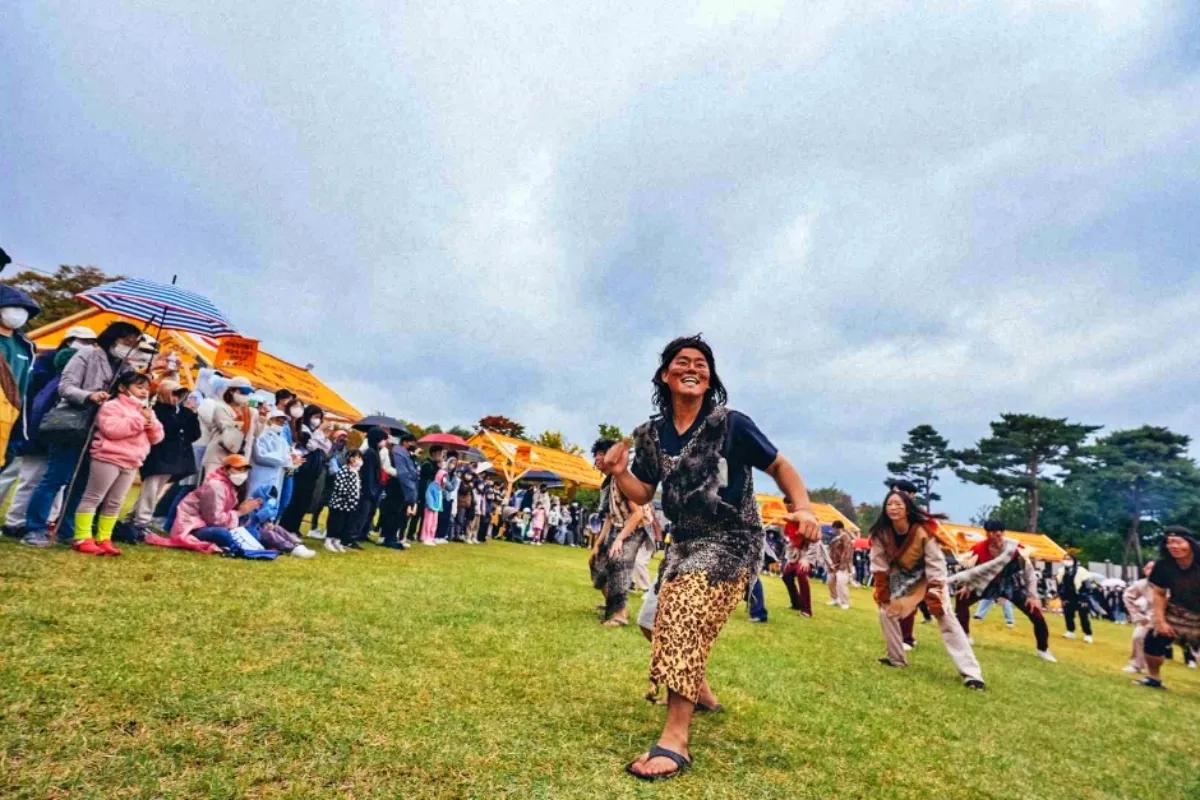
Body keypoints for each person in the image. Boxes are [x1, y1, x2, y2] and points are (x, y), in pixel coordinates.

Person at [603, 335, 821, 782]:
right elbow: (644, 492)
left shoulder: (731, 425)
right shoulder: (650, 435)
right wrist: (620, 472)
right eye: (682, 362)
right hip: (682, 544)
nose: (692, 368)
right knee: (651, 622)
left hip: (732, 540)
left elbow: (780, 466)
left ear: (709, 378)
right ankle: (699, 689)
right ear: (665, 375)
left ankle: (674, 739)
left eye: (701, 363)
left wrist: (802, 507)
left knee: (682, 616)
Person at [22, 321, 142, 547]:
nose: (131, 347)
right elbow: (65, 387)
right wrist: (89, 395)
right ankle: (34, 527)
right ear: (113, 338)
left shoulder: (126, 367)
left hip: (103, 430)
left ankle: (67, 529)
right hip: (73, 424)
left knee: (83, 483)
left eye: (134, 344)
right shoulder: (87, 355)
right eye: (127, 342)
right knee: (57, 476)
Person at [872, 490, 986, 689]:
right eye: (889, 504)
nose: (894, 508)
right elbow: (878, 562)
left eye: (899, 504)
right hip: (904, 578)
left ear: (908, 507)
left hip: (929, 576)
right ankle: (896, 658)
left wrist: (935, 591)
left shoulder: (924, 531)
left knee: (946, 617)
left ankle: (972, 674)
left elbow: (936, 562)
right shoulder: (881, 533)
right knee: (886, 611)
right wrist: (883, 588)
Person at [70, 373, 164, 555]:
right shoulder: (111, 406)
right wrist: (140, 420)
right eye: (139, 387)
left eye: (146, 388)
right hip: (108, 457)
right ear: (123, 387)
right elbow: (112, 430)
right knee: (93, 497)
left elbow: (158, 437)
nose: (144, 392)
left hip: (132, 461)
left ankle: (104, 538)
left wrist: (150, 422)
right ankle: (82, 537)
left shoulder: (147, 410)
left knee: (115, 502)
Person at [950, 519, 1056, 662]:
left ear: (1003, 533)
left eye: (1000, 532)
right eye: (993, 532)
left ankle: (1043, 649)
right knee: (961, 599)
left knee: (1036, 614)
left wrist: (1033, 595)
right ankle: (965, 636)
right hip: (987, 583)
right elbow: (972, 570)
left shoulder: (1015, 548)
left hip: (1010, 583)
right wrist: (967, 586)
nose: (997, 535)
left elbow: (1029, 572)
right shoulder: (979, 549)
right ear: (987, 534)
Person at [589, 439, 647, 627]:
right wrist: (598, 544)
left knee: (618, 561)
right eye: (596, 453)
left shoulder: (623, 479)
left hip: (636, 527)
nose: (598, 458)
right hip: (618, 525)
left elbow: (638, 514)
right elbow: (609, 516)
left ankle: (619, 614)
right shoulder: (608, 482)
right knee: (597, 564)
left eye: (602, 453)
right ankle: (612, 604)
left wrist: (620, 539)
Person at [130, 380, 200, 533]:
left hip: (173, 459)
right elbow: (169, 429)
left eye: (180, 394)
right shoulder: (157, 411)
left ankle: (134, 517)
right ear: (164, 393)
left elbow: (194, 434)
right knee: (150, 490)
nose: (177, 397)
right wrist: (185, 416)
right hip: (158, 457)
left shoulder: (181, 411)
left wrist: (192, 415)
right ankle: (141, 522)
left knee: (154, 490)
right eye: (174, 393)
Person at [1135, 527, 1200, 689]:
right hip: (1177, 611)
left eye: (1178, 542)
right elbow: (1159, 594)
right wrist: (1160, 621)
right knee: (1152, 641)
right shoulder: (1163, 566)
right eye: (1169, 542)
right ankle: (1154, 678)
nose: (1173, 546)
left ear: (1190, 543)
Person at [170, 454, 262, 550]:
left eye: (245, 471)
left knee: (255, 533)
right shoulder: (215, 486)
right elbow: (213, 520)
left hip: (216, 524)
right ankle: (237, 545)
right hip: (195, 526)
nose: (242, 474)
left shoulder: (232, 486)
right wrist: (239, 513)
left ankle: (238, 544)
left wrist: (246, 510)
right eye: (238, 470)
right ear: (225, 469)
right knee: (222, 534)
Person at [0, 284, 41, 463]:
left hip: (10, 418)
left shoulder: (25, 346)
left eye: (23, 309)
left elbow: (26, 389)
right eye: (12, 307)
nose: (17, 313)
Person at [200, 376, 256, 476]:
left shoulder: (249, 412)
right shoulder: (221, 407)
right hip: (218, 456)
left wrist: (261, 421)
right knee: (210, 488)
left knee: (229, 491)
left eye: (248, 392)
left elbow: (251, 436)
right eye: (242, 391)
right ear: (231, 391)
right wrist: (238, 420)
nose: (245, 395)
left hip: (237, 461)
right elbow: (227, 430)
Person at [378, 431, 418, 549]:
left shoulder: (402, 453)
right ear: (405, 442)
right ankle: (389, 538)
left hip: (399, 486)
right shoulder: (398, 452)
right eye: (411, 442)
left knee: (394, 513)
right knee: (393, 513)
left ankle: (388, 537)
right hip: (397, 486)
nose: (413, 445)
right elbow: (404, 472)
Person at [248, 408, 294, 498]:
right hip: (259, 476)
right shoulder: (261, 435)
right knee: (252, 503)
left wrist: (291, 462)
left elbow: (288, 460)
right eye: (278, 420)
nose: (281, 423)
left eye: (283, 422)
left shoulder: (282, 440)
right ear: (269, 420)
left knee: (270, 507)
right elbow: (260, 456)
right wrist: (285, 460)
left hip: (275, 480)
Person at [325, 449, 363, 552]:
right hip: (339, 503)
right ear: (351, 458)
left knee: (344, 523)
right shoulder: (344, 470)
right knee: (335, 521)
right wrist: (349, 495)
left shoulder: (356, 472)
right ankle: (329, 540)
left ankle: (337, 541)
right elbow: (339, 486)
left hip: (350, 504)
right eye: (357, 457)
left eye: (360, 458)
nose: (359, 460)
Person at [1123, 561, 1156, 674]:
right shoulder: (1141, 584)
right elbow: (1127, 597)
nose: (1151, 571)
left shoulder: (1170, 584)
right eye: (1149, 568)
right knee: (1138, 636)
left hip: (1175, 615)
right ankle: (1137, 664)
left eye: (1154, 568)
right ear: (1144, 570)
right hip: (1151, 615)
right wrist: (1138, 615)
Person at [781, 523, 820, 617]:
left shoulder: (810, 525)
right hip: (795, 558)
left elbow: (815, 544)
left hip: (807, 558)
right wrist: (790, 559)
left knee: (801, 573)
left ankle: (806, 610)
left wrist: (807, 559)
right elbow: (791, 545)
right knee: (786, 576)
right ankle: (796, 604)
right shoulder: (792, 526)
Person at [1057, 555, 1095, 644]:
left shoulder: (1081, 571)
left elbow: (1087, 586)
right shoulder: (1061, 571)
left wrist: (1084, 599)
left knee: (1083, 617)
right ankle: (1070, 631)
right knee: (1068, 615)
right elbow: (1060, 586)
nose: (1066, 561)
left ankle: (1088, 634)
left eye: (1069, 559)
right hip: (1068, 596)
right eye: (1065, 559)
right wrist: (1063, 598)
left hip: (1080, 596)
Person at [826, 520, 854, 609]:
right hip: (833, 564)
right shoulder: (836, 537)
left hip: (842, 564)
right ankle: (835, 599)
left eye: (834, 528)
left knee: (841, 584)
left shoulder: (846, 537)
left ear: (838, 528)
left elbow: (847, 552)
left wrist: (842, 564)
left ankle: (845, 602)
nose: (833, 530)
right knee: (830, 582)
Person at [420, 457, 446, 546]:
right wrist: (431, 505)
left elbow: (439, 498)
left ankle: (431, 536)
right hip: (430, 508)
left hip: (436, 508)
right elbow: (429, 495)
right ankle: (425, 537)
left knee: (434, 523)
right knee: (428, 522)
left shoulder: (440, 488)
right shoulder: (432, 485)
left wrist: (439, 506)